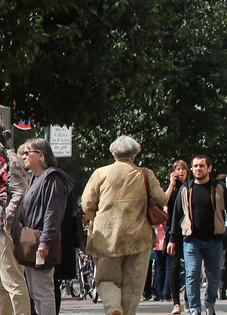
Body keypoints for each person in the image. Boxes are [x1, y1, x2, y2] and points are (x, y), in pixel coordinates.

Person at [80, 135, 169, 315]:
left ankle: (113, 307)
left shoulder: (100, 173)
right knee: (133, 284)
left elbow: (87, 203)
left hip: (106, 237)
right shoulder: (145, 174)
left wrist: (93, 219)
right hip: (138, 238)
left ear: (114, 153)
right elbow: (162, 198)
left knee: (105, 279)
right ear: (135, 155)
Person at [167, 155, 227, 315]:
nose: (198, 169)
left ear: (209, 168)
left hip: (214, 240)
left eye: (201, 166)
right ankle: (195, 309)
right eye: (195, 166)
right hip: (191, 240)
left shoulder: (218, 187)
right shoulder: (186, 189)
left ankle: (209, 303)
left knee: (214, 275)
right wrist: (172, 239)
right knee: (192, 274)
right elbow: (176, 215)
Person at [13, 139, 73, 315]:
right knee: (35, 291)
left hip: (39, 242)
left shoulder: (52, 179)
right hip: (32, 242)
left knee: (43, 291)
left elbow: (52, 214)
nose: (23, 156)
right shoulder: (37, 178)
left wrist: (45, 243)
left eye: (28, 153)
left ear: (41, 155)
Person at [0, 131, 30, 315]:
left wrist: (6, 220)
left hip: (6, 229)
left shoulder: (10, 159)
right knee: (4, 283)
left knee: (13, 281)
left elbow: (20, 193)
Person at [164, 161, 190, 315]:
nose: (180, 172)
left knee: (190, 268)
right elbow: (163, 202)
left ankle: (187, 298)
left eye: (183, 169)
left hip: (189, 231)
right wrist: (171, 185)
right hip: (172, 232)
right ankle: (176, 303)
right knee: (173, 267)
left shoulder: (191, 186)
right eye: (177, 169)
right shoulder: (171, 189)